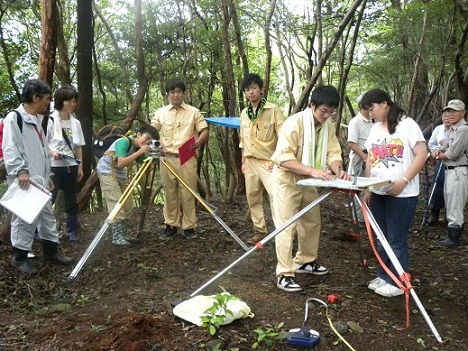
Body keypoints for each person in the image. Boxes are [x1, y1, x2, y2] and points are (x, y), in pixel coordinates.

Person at [271, 85, 350, 292]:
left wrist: (338, 170)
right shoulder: (294, 124)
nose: (326, 116)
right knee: (286, 226)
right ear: (312, 106)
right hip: (287, 179)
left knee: (312, 221)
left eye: (331, 112)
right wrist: (312, 171)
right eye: (323, 111)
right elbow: (283, 158)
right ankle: (285, 273)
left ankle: (306, 260)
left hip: (309, 178)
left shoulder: (327, 126)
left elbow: (333, 152)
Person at [2, 79, 74, 274]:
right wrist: (20, 171)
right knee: (24, 219)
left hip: (40, 178)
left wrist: (47, 174)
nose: (48, 103)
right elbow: (9, 148)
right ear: (35, 98)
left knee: (47, 217)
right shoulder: (14, 118)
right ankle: (19, 258)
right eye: (47, 99)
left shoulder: (36, 119)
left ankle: (51, 252)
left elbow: (42, 150)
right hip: (24, 179)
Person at [361, 89, 427, 297]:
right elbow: (370, 159)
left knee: (396, 239)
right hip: (379, 192)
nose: (371, 114)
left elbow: (422, 154)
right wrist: (369, 187)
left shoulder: (407, 125)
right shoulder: (375, 129)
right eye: (367, 110)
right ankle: (384, 274)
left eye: (372, 108)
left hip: (403, 194)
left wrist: (404, 180)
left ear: (384, 103)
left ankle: (398, 281)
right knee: (382, 237)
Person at [151, 80, 209, 240]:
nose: (175, 95)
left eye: (178, 92)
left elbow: (204, 130)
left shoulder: (193, 112)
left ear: (183, 93)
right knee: (169, 192)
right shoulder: (160, 113)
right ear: (168, 94)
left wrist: (199, 141)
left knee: (189, 191)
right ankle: (171, 225)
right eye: (172, 92)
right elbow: (152, 131)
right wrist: (155, 147)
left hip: (186, 155)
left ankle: (189, 226)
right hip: (166, 156)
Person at [239, 73, 285, 244]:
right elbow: (243, 139)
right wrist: (243, 162)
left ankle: (281, 232)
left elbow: (283, 137)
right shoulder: (245, 113)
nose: (251, 92)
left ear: (261, 89)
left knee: (276, 196)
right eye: (247, 89)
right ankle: (260, 231)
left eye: (253, 88)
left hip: (268, 162)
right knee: (253, 197)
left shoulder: (273, 110)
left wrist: (278, 160)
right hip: (250, 161)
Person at [96, 124, 159, 247]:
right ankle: (117, 237)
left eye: (150, 142)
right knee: (117, 202)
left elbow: (145, 166)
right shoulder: (124, 142)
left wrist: (154, 156)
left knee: (128, 203)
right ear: (139, 134)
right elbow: (121, 163)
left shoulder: (138, 148)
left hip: (120, 175)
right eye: (146, 138)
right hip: (107, 172)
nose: (147, 142)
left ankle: (124, 234)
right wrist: (140, 152)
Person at [47, 86, 85, 241]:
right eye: (69, 100)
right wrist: (51, 152)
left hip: (71, 166)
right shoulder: (50, 120)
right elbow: (42, 143)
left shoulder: (75, 123)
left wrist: (80, 166)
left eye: (74, 100)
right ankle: (46, 232)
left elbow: (78, 146)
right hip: (53, 167)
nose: (72, 104)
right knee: (50, 199)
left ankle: (72, 231)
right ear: (60, 102)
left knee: (71, 200)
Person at [434, 99, 468, 247]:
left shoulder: (463, 129)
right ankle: (451, 235)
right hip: (450, 170)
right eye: (448, 111)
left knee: (455, 203)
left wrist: (436, 156)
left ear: (463, 113)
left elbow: (452, 153)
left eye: (454, 111)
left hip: (458, 170)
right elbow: (445, 146)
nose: (451, 114)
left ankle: (454, 239)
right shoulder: (453, 129)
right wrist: (437, 151)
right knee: (450, 201)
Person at [347, 92, 372, 225]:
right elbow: (351, 143)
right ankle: (359, 220)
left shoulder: (375, 121)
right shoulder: (355, 122)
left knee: (371, 188)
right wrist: (364, 157)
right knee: (358, 188)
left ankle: (369, 218)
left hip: (373, 157)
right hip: (359, 158)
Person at [426, 112, 452, 225]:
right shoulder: (438, 129)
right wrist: (437, 150)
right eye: (444, 116)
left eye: (449, 116)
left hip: (454, 163)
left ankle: (449, 215)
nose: (446, 118)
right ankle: (434, 213)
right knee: (438, 185)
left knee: (451, 188)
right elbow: (431, 144)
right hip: (440, 160)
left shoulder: (460, 130)